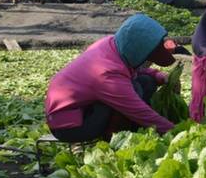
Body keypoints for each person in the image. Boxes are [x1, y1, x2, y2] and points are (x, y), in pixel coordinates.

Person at [45, 13, 186, 142]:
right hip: (70, 126)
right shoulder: (106, 74)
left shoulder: (112, 44)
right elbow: (138, 111)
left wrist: (160, 76)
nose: (148, 61)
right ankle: (113, 138)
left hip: (84, 109)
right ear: (137, 51)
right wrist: (175, 132)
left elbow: (133, 70)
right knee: (135, 90)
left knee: (146, 81)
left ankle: (125, 130)